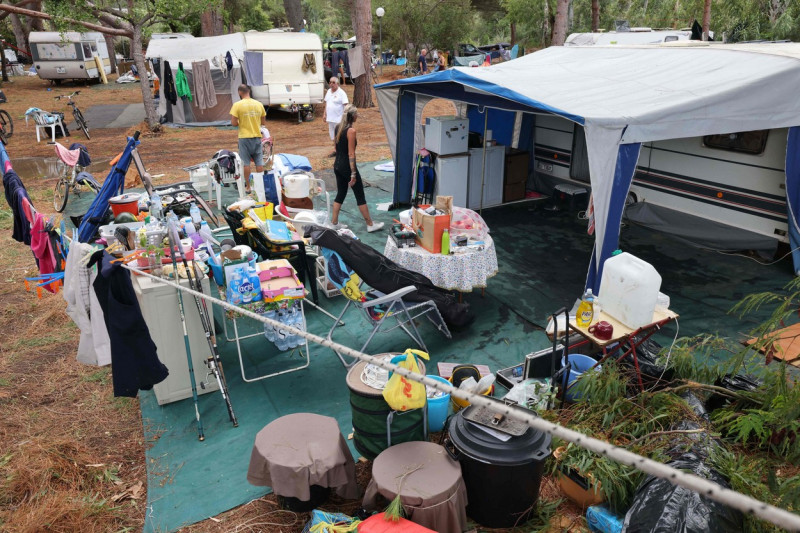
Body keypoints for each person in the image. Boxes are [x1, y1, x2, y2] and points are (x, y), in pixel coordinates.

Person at [330, 105, 384, 233]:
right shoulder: (351, 131)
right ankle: (370, 224)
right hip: (347, 167)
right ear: (353, 116)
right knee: (360, 195)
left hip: (337, 165)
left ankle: (334, 223)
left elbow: (336, 149)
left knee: (341, 193)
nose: (357, 116)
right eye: (357, 114)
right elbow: (351, 154)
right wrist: (353, 173)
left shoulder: (338, 127)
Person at [229, 84, 266, 195]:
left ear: (240, 92)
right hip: (257, 137)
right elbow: (263, 122)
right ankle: (261, 185)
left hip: (244, 138)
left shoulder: (237, 105)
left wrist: (241, 122)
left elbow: (233, 123)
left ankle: (248, 187)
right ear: (249, 91)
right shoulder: (259, 104)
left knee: (246, 164)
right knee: (259, 162)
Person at [322, 76, 348, 156]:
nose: (331, 84)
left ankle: (341, 150)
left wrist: (345, 118)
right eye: (330, 82)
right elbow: (327, 103)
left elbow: (346, 106)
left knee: (339, 135)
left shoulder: (342, 93)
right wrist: (324, 114)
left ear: (337, 83)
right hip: (330, 119)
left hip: (338, 119)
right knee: (333, 136)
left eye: (333, 82)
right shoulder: (329, 91)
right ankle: (336, 150)